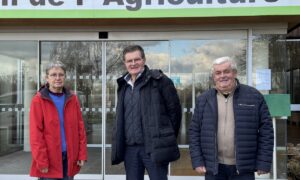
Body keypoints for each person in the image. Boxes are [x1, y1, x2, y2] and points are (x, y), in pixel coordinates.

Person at [189, 56, 274, 180]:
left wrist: (263, 162)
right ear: (214, 76)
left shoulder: (253, 96)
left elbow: (266, 131)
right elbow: (194, 132)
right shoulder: (204, 99)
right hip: (213, 167)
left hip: (243, 168)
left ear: (234, 73)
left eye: (226, 71)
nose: (222, 76)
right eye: (218, 73)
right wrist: (197, 160)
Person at [111, 45, 182, 180]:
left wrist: (165, 137)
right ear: (124, 63)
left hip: (154, 148)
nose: (133, 63)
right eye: (129, 61)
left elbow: (175, 113)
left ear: (143, 60)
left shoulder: (160, 80)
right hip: (130, 150)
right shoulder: (123, 85)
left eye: (136, 59)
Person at [29, 61, 87, 180]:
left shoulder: (72, 99)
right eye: (53, 75)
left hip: (69, 158)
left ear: (65, 77)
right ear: (47, 78)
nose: (58, 78)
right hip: (49, 160)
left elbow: (80, 128)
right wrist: (41, 160)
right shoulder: (38, 100)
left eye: (61, 74)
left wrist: (82, 154)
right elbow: (36, 134)